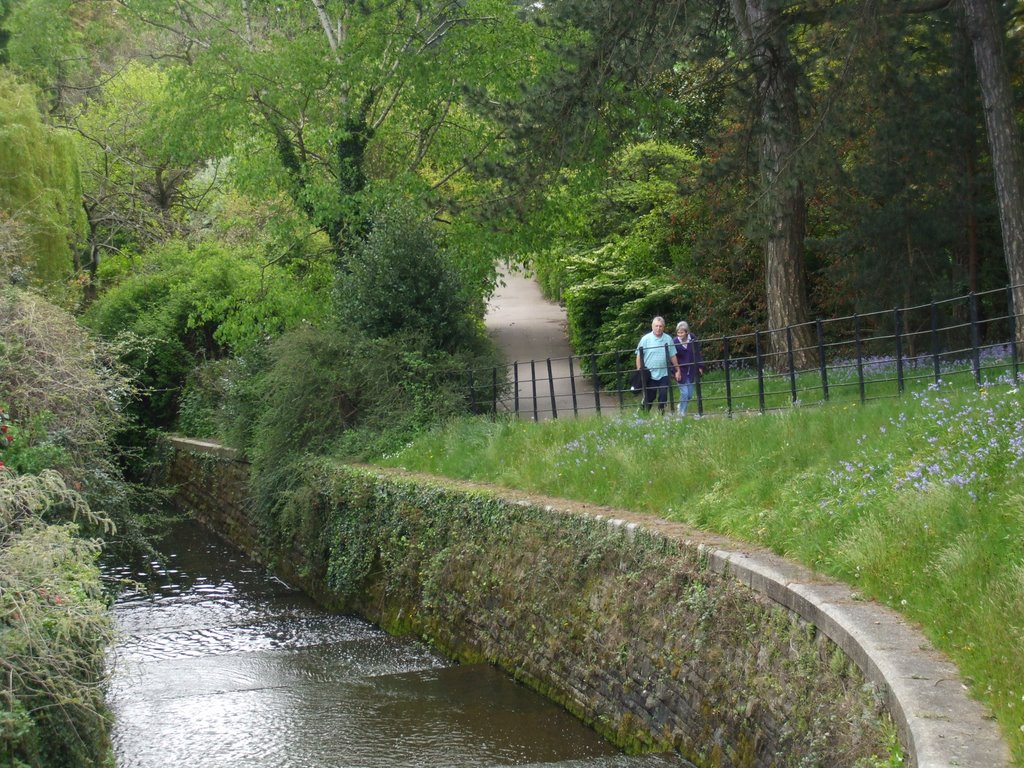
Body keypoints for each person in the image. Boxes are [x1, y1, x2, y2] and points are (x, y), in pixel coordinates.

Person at [635, 316, 681, 413]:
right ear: (652, 326)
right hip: (650, 373)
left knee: (663, 394)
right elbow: (639, 356)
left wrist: (678, 369)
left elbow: (673, 355)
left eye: (660, 326)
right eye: (656, 326)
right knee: (650, 396)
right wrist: (639, 371)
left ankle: (661, 413)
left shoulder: (668, 339)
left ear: (663, 327)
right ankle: (642, 414)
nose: (658, 328)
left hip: (664, 373)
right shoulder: (645, 339)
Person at [672, 320, 704, 416]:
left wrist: (700, 366)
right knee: (685, 393)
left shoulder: (692, 339)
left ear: (686, 332)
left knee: (689, 394)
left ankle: (680, 405)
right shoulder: (674, 342)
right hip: (680, 370)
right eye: (678, 332)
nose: (680, 334)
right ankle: (681, 413)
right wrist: (676, 371)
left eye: (681, 332)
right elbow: (672, 357)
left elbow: (697, 353)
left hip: (691, 369)